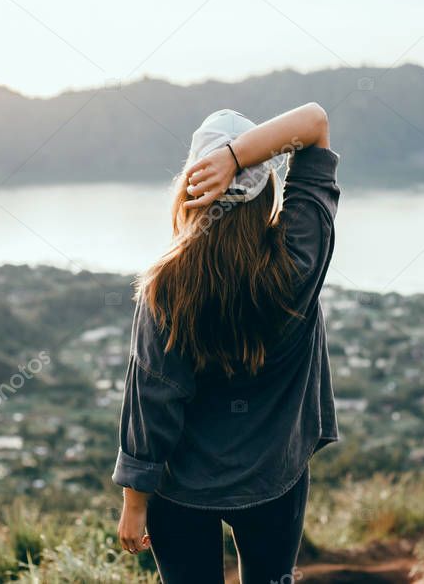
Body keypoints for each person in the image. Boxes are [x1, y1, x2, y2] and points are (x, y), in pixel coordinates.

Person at [112, 103, 340, 583]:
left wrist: (135, 503)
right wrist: (239, 158)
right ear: (267, 192)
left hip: (181, 490)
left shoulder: (167, 287)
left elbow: (153, 396)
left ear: (191, 191)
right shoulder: (297, 260)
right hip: (275, 475)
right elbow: (314, 122)